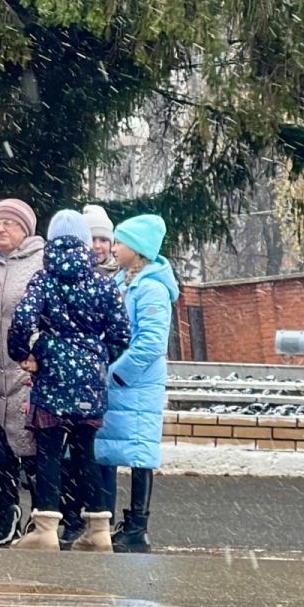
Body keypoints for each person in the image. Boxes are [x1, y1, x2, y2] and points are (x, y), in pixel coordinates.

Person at [7, 209, 129, 551]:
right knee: (85, 454)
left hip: (52, 378)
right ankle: (98, 529)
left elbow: (21, 321)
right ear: (86, 241)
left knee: (48, 452)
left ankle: (45, 528)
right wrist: (99, 358)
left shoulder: (43, 279)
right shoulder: (103, 282)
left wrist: (25, 354)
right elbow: (121, 333)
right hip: (90, 382)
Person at [96, 214, 178, 553]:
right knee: (109, 451)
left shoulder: (152, 288)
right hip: (116, 382)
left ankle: (137, 526)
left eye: (119, 242)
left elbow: (151, 342)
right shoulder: (122, 283)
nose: (113, 248)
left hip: (135, 385)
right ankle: (106, 520)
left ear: (138, 249)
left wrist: (117, 372)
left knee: (140, 454)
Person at [0, 199, 44, 545]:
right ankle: (4, 517)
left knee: (31, 450)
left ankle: (43, 520)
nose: (0, 230)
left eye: (8, 224)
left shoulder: (41, 263)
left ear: (25, 229)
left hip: (25, 372)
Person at [84, 204, 116, 271]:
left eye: (103, 240)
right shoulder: (74, 274)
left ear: (111, 244)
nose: (97, 246)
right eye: (92, 240)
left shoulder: (123, 274)